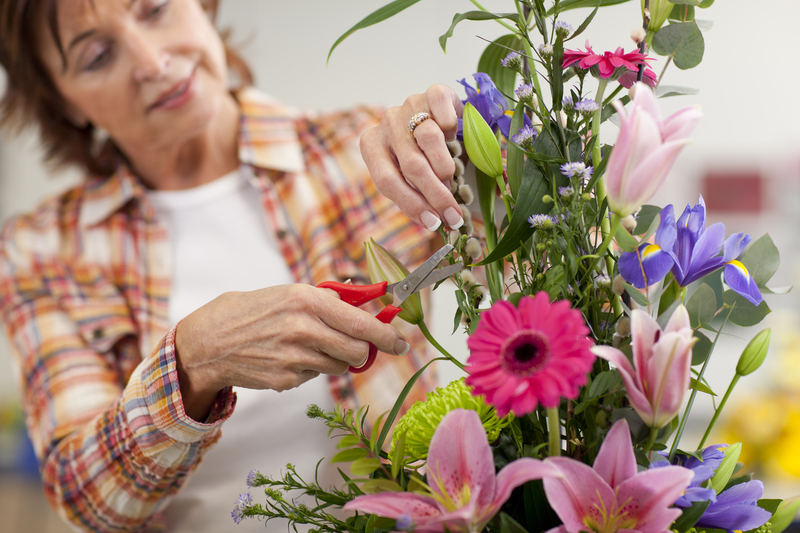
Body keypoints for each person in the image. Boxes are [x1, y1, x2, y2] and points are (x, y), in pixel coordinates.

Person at [0, 0, 464, 531]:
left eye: (154, 10)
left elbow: (545, 239)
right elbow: (89, 501)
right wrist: (192, 364)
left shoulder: (363, 155)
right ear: (62, 102)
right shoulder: (40, 250)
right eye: (100, 55)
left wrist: (469, 148)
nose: (153, 62)